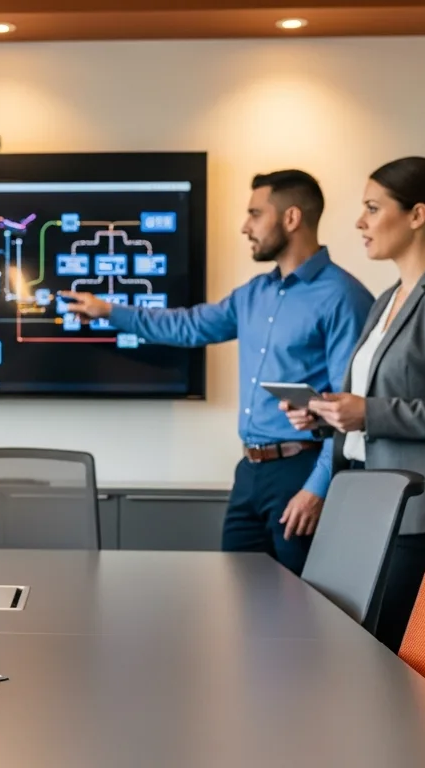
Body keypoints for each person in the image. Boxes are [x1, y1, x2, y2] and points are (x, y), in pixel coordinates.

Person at [61, 171, 373, 575]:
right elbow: (188, 326)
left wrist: (317, 489)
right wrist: (109, 311)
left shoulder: (342, 297)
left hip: (304, 472)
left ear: (291, 218)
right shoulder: (254, 294)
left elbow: (350, 407)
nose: (246, 227)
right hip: (250, 474)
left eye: (255, 214)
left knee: (309, 610)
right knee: (237, 600)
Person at [283, 157, 425, 651]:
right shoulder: (386, 300)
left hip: (424, 517)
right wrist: (324, 414)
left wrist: (369, 412)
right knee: (360, 655)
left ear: (417, 214)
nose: (359, 221)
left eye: (372, 208)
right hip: (369, 504)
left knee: (399, 663)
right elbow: (375, 401)